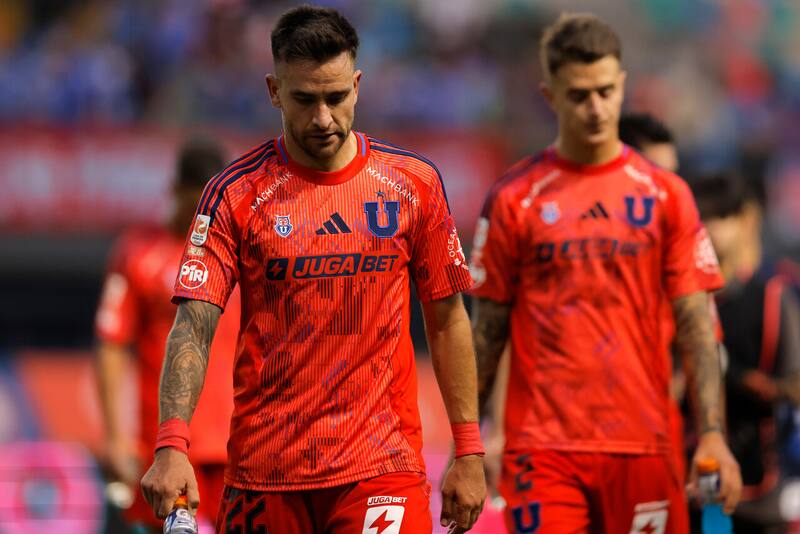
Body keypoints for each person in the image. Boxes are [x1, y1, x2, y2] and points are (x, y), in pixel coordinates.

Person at [139, 6, 486, 534]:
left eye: (336, 96)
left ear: (358, 85)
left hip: (380, 468)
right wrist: (171, 442)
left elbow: (447, 319)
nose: (323, 118)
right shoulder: (235, 194)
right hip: (265, 475)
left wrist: (468, 449)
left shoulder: (412, 185)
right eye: (304, 99)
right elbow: (194, 324)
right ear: (274, 90)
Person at [468, 13, 742, 533]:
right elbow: (488, 331)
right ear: (550, 96)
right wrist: (468, 443)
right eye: (578, 95)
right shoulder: (514, 198)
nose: (595, 108)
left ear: (622, 85)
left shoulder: (665, 196)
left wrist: (710, 432)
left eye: (605, 91)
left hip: (643, 443)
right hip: (542, 449)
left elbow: (696, 325)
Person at [95, 138, 238, 531]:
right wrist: (115, 437)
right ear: (176, 191)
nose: (205, 215)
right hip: (165, 445)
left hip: (238, 442)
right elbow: (110, 343)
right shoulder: (138, 252)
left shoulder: (239, 253)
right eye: (198, 203)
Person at [693, 171, 800, 533]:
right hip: (700, 478)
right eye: (702, 217)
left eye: (721, 217)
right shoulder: (687, 300)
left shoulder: (772, 294)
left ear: (746, 221)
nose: (710, 228)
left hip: (762, 483)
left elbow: (793, 386)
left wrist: (728, 372)